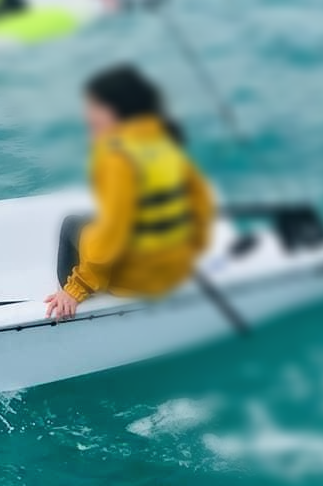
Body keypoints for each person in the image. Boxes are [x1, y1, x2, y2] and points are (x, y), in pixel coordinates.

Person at [45, 64, 215, 320]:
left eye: (95, 108)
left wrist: (76, 288)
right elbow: (201, 204)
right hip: (172, 269)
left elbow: (112, 232)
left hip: (136, 281)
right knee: (92, 219)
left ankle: (66, 303)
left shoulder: (117, 157)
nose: (88, 116)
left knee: (72, 225)